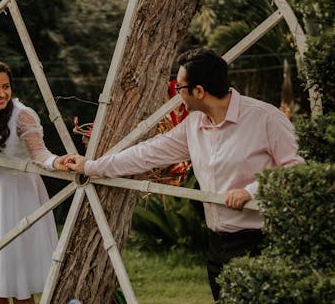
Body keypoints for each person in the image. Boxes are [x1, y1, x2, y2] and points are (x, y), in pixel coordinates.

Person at [64, 48, 303, 301]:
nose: (176, 94)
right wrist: (91, 166)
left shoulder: (265, 118)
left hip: (260, 240)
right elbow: (147, 153)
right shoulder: (194, 124)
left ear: (199, 92)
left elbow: (295, 167)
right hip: (216, 244)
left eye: (179, 88)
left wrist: (249, 192)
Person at [0, 60, 68, 304]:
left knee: (20, 281)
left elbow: (40, 154)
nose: (1, 93)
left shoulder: (23, 116)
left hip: (20, 196)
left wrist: (56, 162)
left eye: (6, 86)